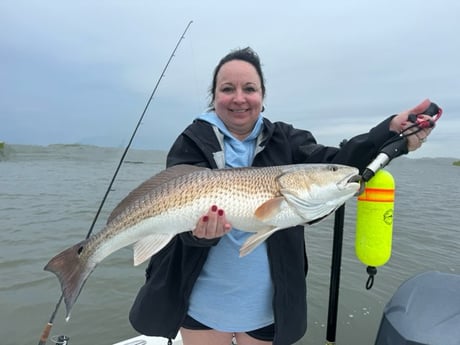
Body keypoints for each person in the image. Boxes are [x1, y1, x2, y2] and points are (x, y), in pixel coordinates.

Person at [129, 47, 434, 345]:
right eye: (227, 89)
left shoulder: (287, 140)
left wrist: (389, 132)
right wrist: (201, 235)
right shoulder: (191, 141)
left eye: (250, 88)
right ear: (214, 96)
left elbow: (343, 159)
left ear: (263, 96)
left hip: (267, 308)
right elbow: (177, 220)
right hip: (200, 304)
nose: (239, 98)